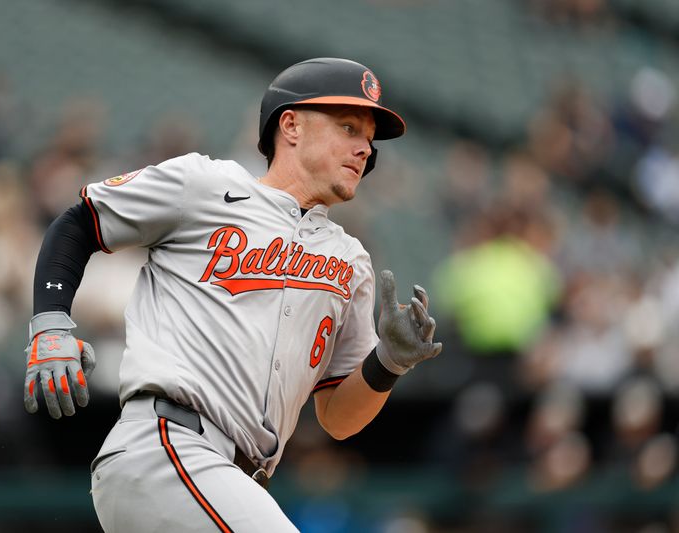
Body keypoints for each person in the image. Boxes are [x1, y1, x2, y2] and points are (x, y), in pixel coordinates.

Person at [23, 57, 443, 532]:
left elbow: (338, 418)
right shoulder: (205, 186)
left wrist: (389, 362)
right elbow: (80, 221)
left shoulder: (351, 261)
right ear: (291, 126)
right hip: (170, 449)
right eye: (349, 127)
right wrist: (51, 322)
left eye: (369, 138)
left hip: (234, 484)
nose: (365, 148)